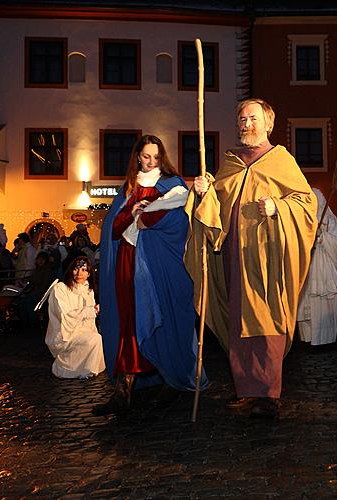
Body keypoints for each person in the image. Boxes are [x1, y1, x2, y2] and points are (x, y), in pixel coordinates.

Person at [187, 98, 318, 418]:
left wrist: (279, 207)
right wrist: (203, 193)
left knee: (266, 321)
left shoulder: (281, 161)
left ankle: (268, 393)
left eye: (253, 118)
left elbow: (306, 205)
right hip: (233, 257)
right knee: (238, 324)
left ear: (269, 124)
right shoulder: (229, 163)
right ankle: (247, 390)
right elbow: (213, 213)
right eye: (242, 119)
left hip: (268, 259)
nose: (246, 124)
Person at [95, 134, 206, 415]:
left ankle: (173, 380)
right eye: (146, 156)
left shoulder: (173, 184)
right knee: (128, 322)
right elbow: (114, 228)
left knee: (163, 318)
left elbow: (181, 223)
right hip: (127, 263)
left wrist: (146, 218)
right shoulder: (128, 188)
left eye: (156, 157)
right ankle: (124, 389)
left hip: (159, 264)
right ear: (137, 157)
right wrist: (130, 212)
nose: (151, 161)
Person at [296, 188, 337, 346]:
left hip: (324, 267)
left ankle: (326, 339)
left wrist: (322, 237)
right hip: (307, 267)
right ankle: (307, 338)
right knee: (307, 302)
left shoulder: (331, 221)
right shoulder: (301, 220)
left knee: (324, 301)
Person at [44, 257, 105, 379]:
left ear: (88, 274)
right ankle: (66, 368)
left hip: (83, 331)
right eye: (76, 269)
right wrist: (89, 311)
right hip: (65, 334)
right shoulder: (60, 288)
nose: (79, 274)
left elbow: (90, 320)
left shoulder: (88, 290)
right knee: (94, 340)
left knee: (96, 338)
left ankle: (86, 369)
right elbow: (64, 315)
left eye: (84, 270)